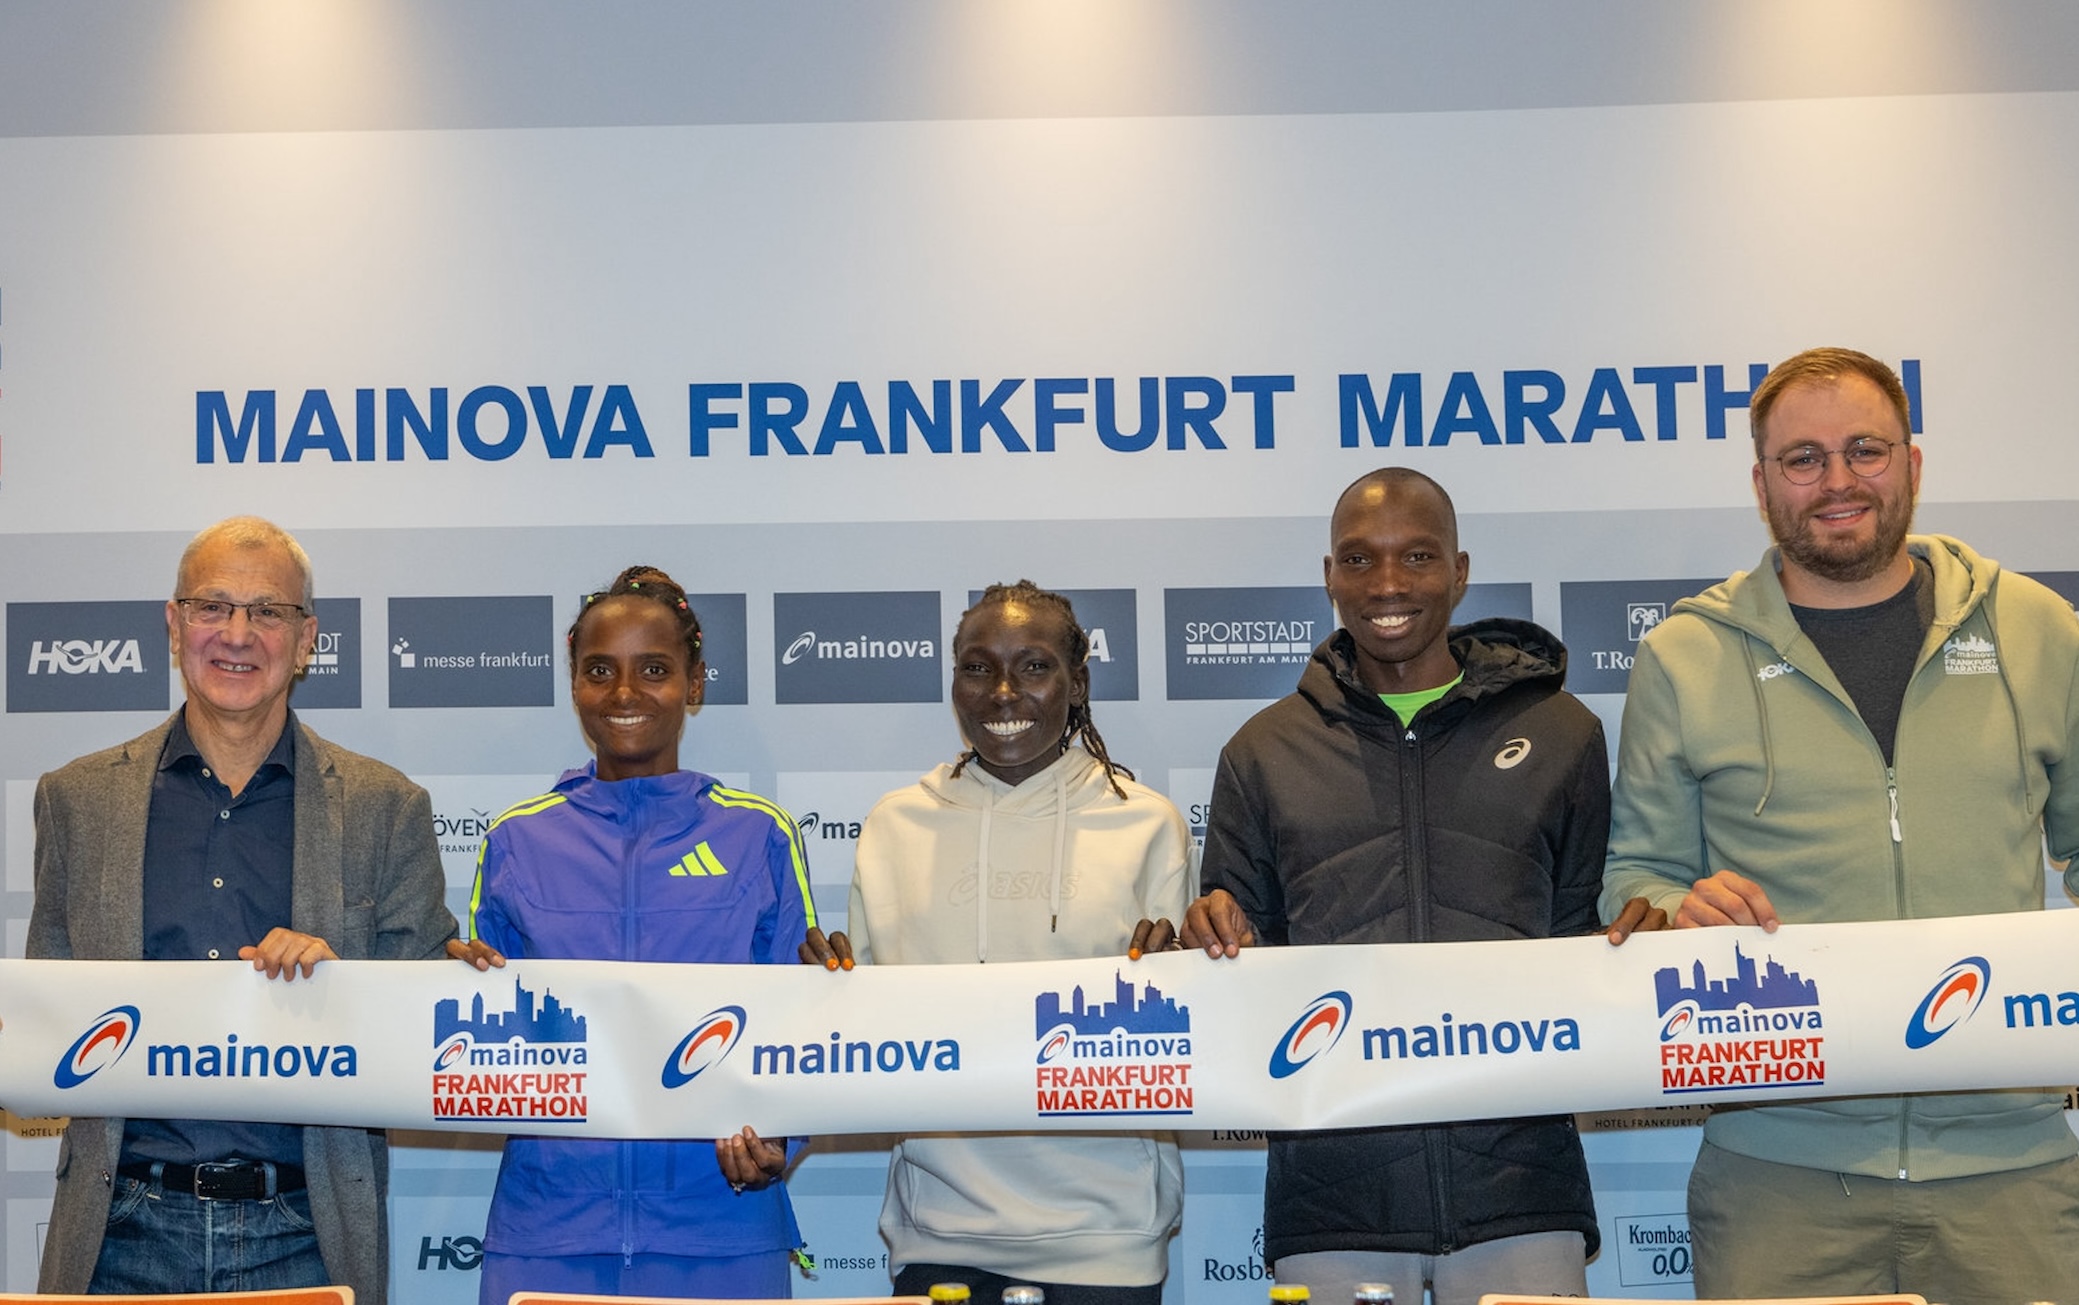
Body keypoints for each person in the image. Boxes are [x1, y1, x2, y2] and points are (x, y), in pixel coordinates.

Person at [1600, 347, 2079, 1304]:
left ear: (1910, 461)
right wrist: (1676, 907)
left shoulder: (2036, 627)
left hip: (2013, 1167)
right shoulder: (1685, 655)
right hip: (1778, 1174)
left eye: (1863, 450)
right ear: (1761, 482)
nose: (1837, 481)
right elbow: (1634, 881)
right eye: (1802, 458)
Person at [1180, 468, 1611, 1305]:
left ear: (1458, 570)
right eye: (1358, 559)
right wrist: (1213, 934)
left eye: (1415, 556)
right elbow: (1240, 965)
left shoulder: (1561, 733)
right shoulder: (1261, 751)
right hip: (1333, 1201)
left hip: (1520, 1193)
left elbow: (1583, 939)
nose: (1386, 584)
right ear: (1329, 576)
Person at [25, 515, 464, 1302]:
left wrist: (343, 985)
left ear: (306, 641)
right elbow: (46, 1024)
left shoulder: (386, 807)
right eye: (212, 606)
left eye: (269, 611)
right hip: (119, 1232)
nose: (238, 632)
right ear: (173, 623)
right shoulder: (77, 800)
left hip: (307, 1234)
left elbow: (429, 1040)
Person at [800, 580, 1191, 1305]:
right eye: (977, 667)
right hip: (939, 1234)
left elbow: (1178, 1034)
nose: (1003, 691)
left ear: (1077, 682)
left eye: (1034, 666)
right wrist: (821, 996)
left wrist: (1189, 983)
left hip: (1108, 1237)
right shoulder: (896, 824)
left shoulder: (1146, 821)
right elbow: (864, 1030)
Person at [463, 565, 816, 1303]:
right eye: (600, 671)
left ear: (693, 684)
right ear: (574, 685)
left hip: (721, 1230)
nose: (624, 694)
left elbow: (803, 1025)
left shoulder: (759, 835)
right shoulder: (516, 840)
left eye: (653, 669)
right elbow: (486, 1031)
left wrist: (782, 1142)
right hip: (548, 1232)